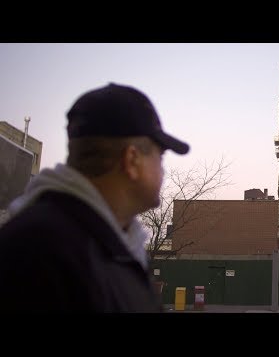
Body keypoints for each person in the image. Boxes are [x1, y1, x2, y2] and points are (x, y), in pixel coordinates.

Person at [0, 83, 189, 312]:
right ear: (132, 160)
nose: (163, 171)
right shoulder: (40, 254)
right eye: (160, 158)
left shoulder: (116, 245)